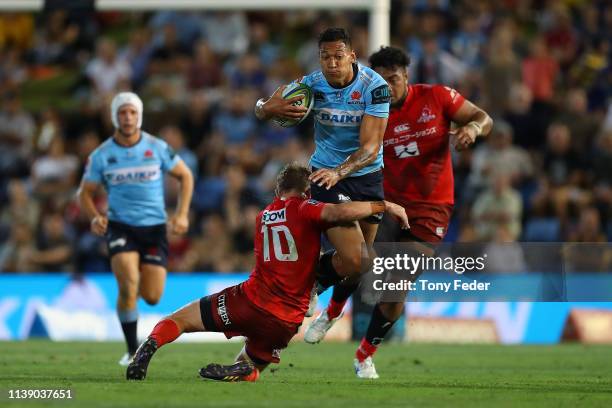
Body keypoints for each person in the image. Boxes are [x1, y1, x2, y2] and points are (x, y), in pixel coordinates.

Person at [305, 46, 493, 379]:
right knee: (360, 259)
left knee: (398, 284)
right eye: (382, 80)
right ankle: (332, 312)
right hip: (386, 201)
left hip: (432, 209)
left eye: (394, 79)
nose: (388, 87)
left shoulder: (437, 98)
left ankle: (364, 355)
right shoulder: (371, 111)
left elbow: (483, 118)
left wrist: (473, 130)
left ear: (406, 76)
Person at [126, 163, 409, 382]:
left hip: (248, 302)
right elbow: (338, 214)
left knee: (179, 319)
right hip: (285, 322)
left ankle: (148, 347)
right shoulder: (306, 208)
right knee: (253, 367)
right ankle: (244, 369)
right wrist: (383, 204)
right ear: (307, 192)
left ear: (277, 192)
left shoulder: (263, 216)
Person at [254, 28, 391, 336]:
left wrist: (342, 171)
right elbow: (263, 107)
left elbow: (370, 148)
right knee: (355, 258)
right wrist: (267, 107)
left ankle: (324, 299)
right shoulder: (309, 85)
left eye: (338, 57)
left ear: (352, 57)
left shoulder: (375, 87)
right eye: (325, 57)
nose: (331, 63)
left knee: (362, 262)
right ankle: (311, 285)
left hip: (365, 175)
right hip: (325, 177)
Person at [78, 92, 194, 366]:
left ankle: (133, 294)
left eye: (132, 112)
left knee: (152, 297)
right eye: (122, 113)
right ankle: (132, 350)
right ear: (114, 117)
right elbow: (84, 193)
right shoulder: (102, 155)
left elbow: (185, 175)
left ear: (139, 115)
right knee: (129, 286)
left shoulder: (156, 147)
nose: (127, 118)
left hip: (154, 229)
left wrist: (182, 214)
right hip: (121, 227)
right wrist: (95, 216)